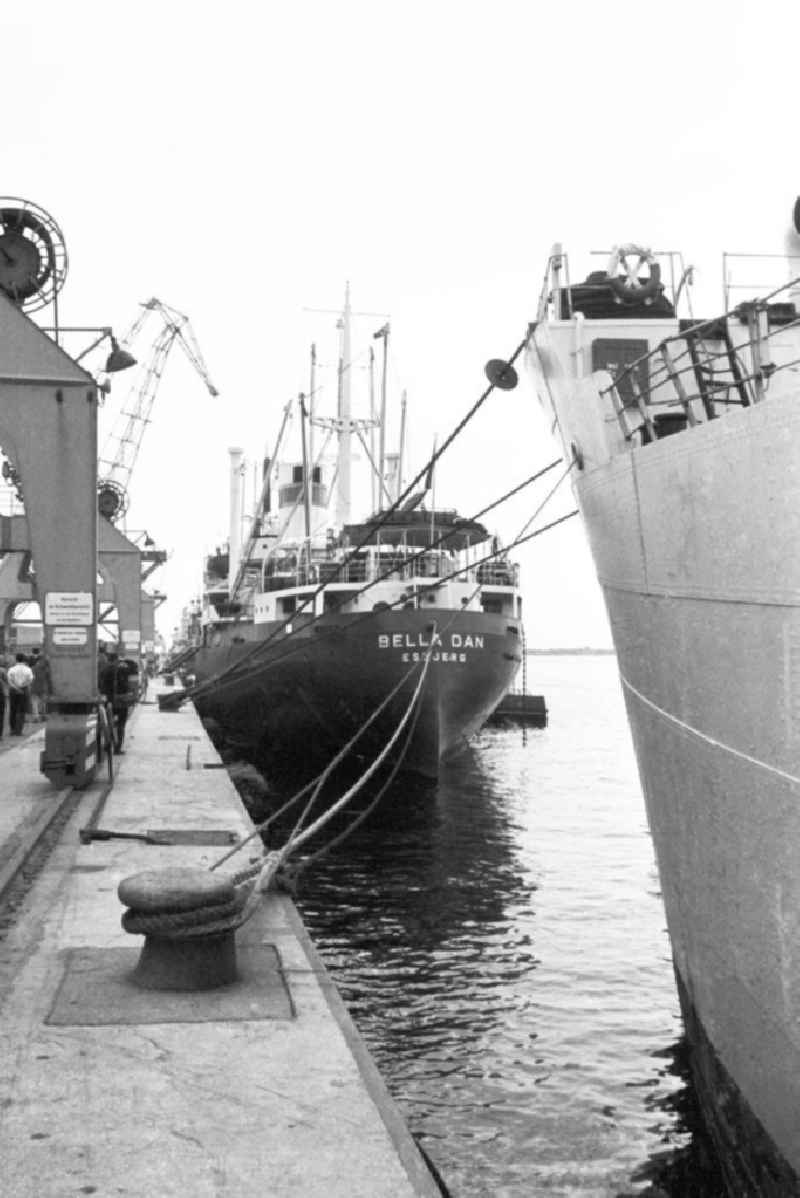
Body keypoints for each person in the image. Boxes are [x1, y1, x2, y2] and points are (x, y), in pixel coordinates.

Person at [99, 649, 132, 752]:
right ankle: (117, 748)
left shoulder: (104, 669)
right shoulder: (123, 667)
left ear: (108, 658)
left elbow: (100, 685)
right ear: (117, 658)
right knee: (121, 724)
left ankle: (107, 744)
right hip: (121, 700)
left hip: (108, 701)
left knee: (108, 723)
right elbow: (128, 684)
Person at [8, 653, 34, 735]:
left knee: (13, 710)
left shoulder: (11, 669)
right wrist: (22, 686)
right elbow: (30, 680)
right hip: (24, 690)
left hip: (13, 691)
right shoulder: (28, 669)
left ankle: (12, 729)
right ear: (24, 659)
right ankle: (18, 730)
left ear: (16, 659)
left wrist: (16, 687)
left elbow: (10, 681)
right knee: (21, 710)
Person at [31, 651, 51, 722]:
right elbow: (49, 679)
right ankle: (44, 716)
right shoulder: (46, 669)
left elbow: (32, 678)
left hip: (34, 687)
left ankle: (36, 717)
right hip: (43, 687)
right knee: (43, 702)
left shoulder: (33, 668)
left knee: (34, 702)